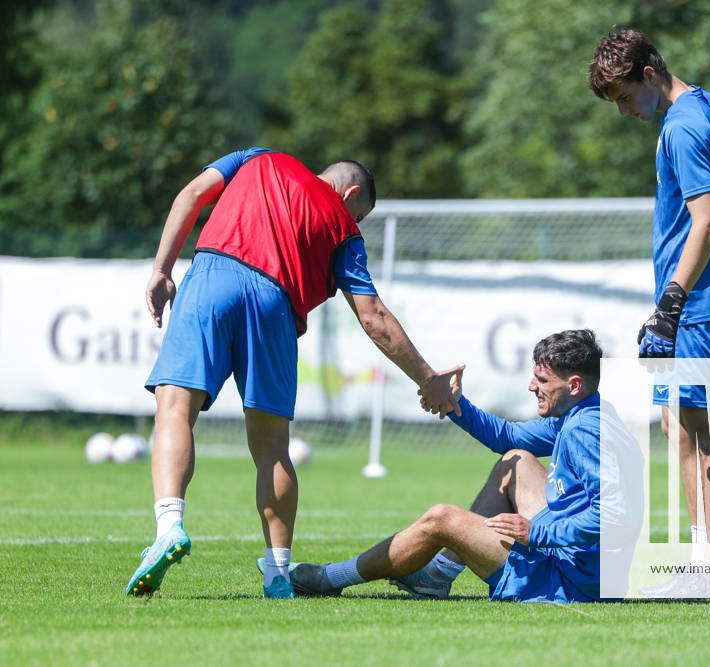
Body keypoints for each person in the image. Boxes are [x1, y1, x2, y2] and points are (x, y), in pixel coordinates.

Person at [125, 147, 461, 599]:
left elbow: (190, 194)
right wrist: (428, 378)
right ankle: (278, 570)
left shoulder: (258, 158)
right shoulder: (344, 233)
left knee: (175, 410)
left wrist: (162, 269)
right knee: (272, 450)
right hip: (275, 308)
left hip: (213, 276)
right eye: (358, 215)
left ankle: (169, 527)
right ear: (351, 193)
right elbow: (374, 317)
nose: (354, 222)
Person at [263, 329, 641, 603]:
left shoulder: (584, 432)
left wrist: (536, 532)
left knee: (441, 518)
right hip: (582, 566)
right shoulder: (582, 415)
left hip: (568, 581)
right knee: (516, 460)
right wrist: (453, 402)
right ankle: (436, 577)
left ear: (574, 384)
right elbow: (507, 437)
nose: (531, 386)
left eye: (542, 380)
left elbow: (614, 515)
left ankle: (330, 578)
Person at [589, 28, 710, 598]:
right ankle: (704, 564)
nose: (625, 112)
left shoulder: (683, 127)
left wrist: (672, 305)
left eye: (626, 97)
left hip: (696, 305)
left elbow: (708, 220)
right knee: (682, 428)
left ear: (650, 73)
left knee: (707, 431)